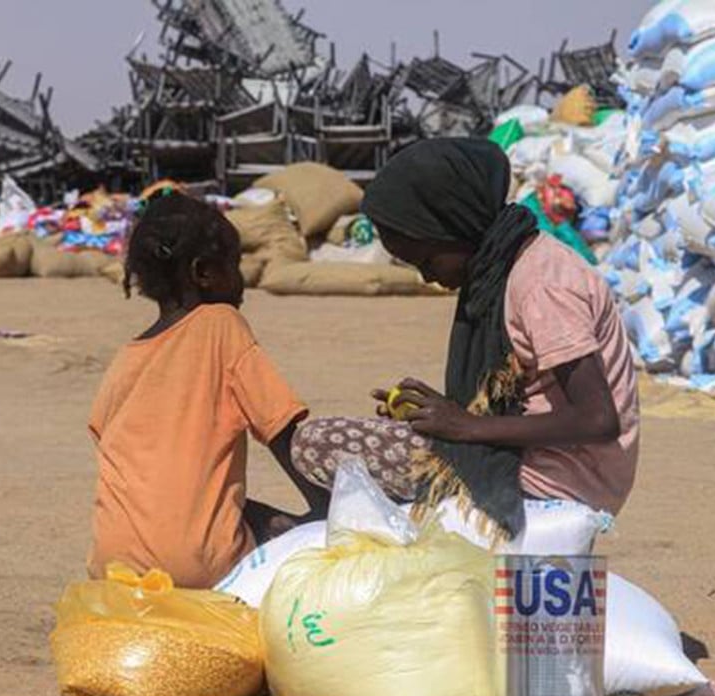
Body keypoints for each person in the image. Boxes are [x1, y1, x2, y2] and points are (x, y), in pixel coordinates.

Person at [291, 139, 639, 536]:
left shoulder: (541, 285)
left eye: (427, 260)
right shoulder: (508, 263)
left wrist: (465, 426)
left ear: (456, 224)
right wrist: (435, 417)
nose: (426, 277)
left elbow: (597, 418)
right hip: (535, 455)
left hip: (560, 477)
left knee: (317, 443)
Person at [87, 191, 327, 588]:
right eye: (233, 265)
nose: (242, 280)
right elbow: (279, 429)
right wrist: (326, 513)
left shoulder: (124, 360)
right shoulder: (221, 325)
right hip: (198, 566)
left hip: (112, 566)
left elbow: (109, 442)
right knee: (291, 537)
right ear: (203, 273)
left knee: (234, 510)